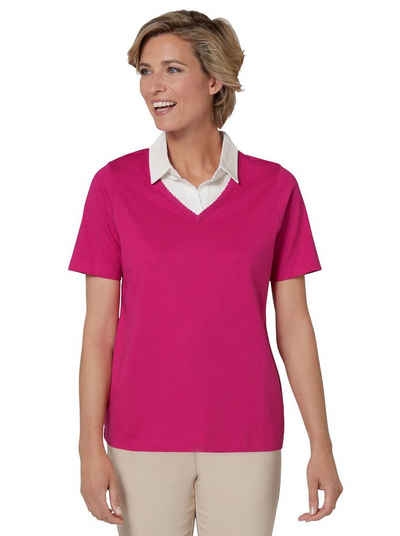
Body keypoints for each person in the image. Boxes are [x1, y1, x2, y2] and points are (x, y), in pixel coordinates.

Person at [68, 9, 343, 536]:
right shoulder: (113, 186)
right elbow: (98, 331)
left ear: (214, 79)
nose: (154, 86)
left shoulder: (276, 188)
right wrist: (88, 450)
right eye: (145, 71)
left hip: (248, 435)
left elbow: (295, 325)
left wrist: (322, 445)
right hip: (139, 438)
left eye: (172, 69)